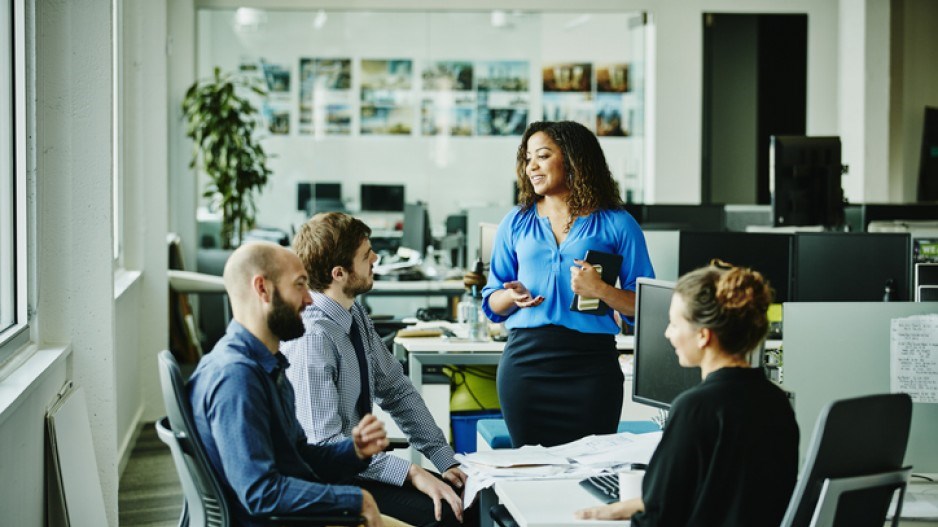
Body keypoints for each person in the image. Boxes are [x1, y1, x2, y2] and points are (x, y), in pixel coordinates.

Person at [575, 261, 799, 525]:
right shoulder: (776, 401)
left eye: (674, 324)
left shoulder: (695, 408)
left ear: (703, 336)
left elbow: (659, 518)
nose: (668, 334)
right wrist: (637, 504)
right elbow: (727, 496)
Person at [187, 241, 392, 527]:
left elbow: (296, 456)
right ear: (263, 289)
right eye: (299, 285)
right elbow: (261, 493)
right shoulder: (236, 377)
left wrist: (354, 450)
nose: (309, 300)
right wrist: (355, 499)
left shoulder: (266, 364)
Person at [282, 212, 468, 527]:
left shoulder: (353, 314)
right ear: (339, 273)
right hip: (328, 483)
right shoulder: (312, 339)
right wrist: (410, 472)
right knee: (446, 515)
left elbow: (396, 389)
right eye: (366, 255)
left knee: (464, 497)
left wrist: (444, 459)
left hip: (356, 468)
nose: (376, 258)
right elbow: (325, 446)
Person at [482, 120, 655, 447]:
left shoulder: (617, 223)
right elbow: (491, 302)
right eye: (527, 157)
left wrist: (601, 290)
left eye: (542, 156)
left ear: (574, 160)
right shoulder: (516, 221)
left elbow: (646, 307)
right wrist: (510, 296)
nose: (531, 166)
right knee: (531, 471)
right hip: (525, 367)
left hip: (591, 370)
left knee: (593, 472)